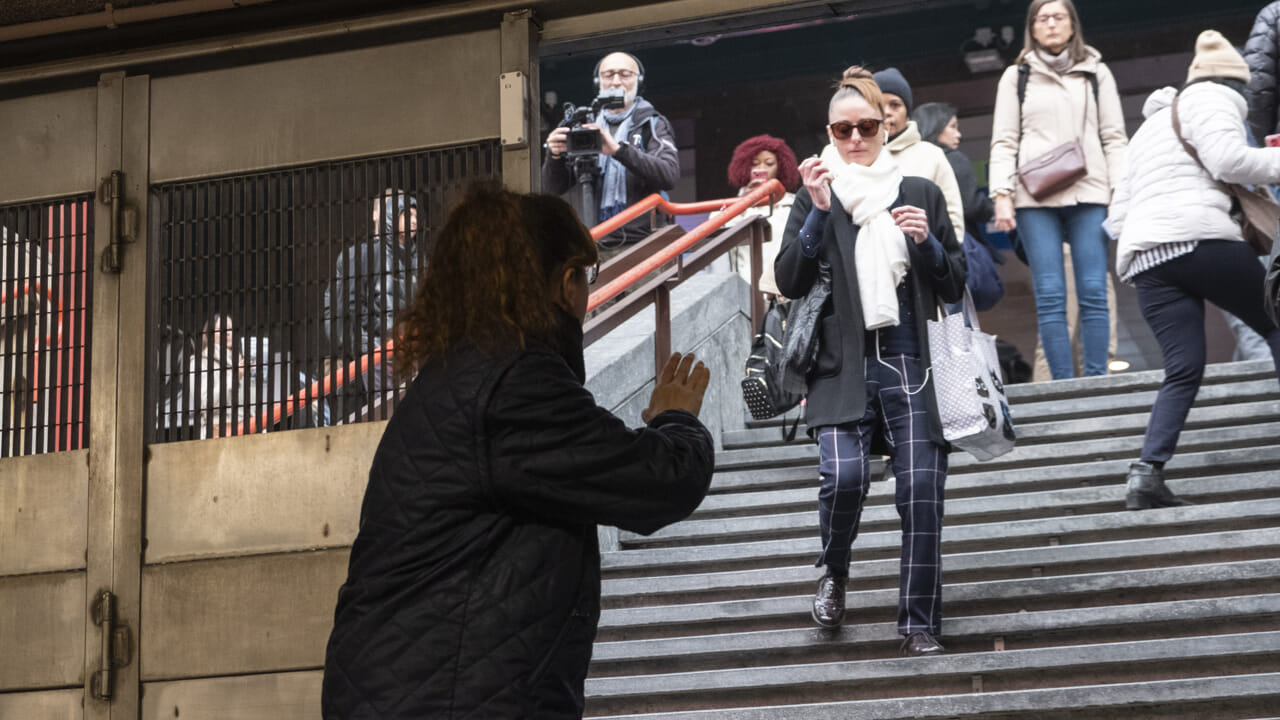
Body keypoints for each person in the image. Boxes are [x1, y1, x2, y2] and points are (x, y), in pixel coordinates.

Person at [321, 182, 715, 719]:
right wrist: (677, 418)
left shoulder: (463, 372)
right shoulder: (513, 382)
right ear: (562, 282)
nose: (586, 293)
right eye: (587, 275)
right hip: (446, 698)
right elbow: (661, 481)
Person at [773, 66, 966, 656]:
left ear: (886, 127)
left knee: (922, 491)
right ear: (829, 133)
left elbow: (957, 283)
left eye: (866, 127)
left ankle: (918, 622)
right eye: (842, 129)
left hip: (911, 363)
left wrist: (927, 244)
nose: (855, 139)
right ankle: (834, 570)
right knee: (845, 476)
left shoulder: (920, 192)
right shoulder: (814, 197)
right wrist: (816, 211)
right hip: (839, 365)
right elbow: (788, 279)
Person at [1108, 30, 1280, 510]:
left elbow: (1117, 212)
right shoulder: (1216, 99)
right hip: (1200, 239)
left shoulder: (1148, 127)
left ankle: (1147, 473)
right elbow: (1229, 160)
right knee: (1275, 323)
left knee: (1183, 367)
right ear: (1237, 84)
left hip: (1146, 257)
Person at [989, 0, 1127, 379]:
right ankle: (1064, 386)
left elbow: (1115, 138)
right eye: (1042, 18)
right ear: (1032, 28)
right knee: (1050, 295)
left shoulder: (1096, 73)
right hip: (1035, 198)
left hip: (1090, 192)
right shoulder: (1016, 77)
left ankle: (1097, 379)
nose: (1051, 24)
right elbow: (1004, 141)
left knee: (1094, 291)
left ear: (1072, 25)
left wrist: (1120, 192)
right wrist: (1002, 195)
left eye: (1059, 17)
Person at [543, 51, 680, 260]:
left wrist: (618, 150)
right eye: (608, 75)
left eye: (625, 74)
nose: (616, 82)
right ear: (598, 82)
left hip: (643, 242)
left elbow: (669, 174)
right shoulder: (584, 124)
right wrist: (554, 156)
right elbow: (553, 188)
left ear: (638, 81)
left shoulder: (652, 123)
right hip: (593, 244)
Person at [324, 188, 422, 417]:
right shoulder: (357, 257)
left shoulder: (415, 261)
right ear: (378, 214)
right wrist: (371, 348)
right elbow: (340, 315)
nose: (411, 220)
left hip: (405, 357)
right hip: (370, 361)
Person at [873, 68, 967, 239]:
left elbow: (953, 219)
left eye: (895, 105)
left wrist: (944, 258)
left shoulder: (931, 155)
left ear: (907, 114)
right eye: (878, 105)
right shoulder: (849, 154)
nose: (886, 111)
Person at [723, 134, 802, 297]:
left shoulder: (794, 204)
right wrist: (745, 199)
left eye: (769, 163)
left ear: (780, 167)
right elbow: (719, 238)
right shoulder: (731, 206)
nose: (761, 169)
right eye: (754, 164)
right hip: (745, 293)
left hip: (782, 291)